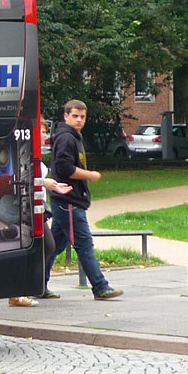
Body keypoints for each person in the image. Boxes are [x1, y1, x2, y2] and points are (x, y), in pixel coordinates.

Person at [44, 99, 123, 300]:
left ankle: (36, 285)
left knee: (54, 247)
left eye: (82, 117)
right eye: (75, 116)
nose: (79, 120)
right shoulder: (66, 139)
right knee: (84, 244)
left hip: (68, 201)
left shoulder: (73, 137)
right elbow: (64, 168)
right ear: (66, 116)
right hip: (68, 201)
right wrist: (90, 175)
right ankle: (100, 287)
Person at [10, 160, 72, 306]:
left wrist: (54, 186)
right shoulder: (24, 149)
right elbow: (19, 177)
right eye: (44, 134)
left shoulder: (35, 152)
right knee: (46, 246)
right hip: (27, 205)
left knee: (45, 247)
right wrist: (43, 182)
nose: (45, 135)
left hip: (37, 206)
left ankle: (24, 288)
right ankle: (19, 290)